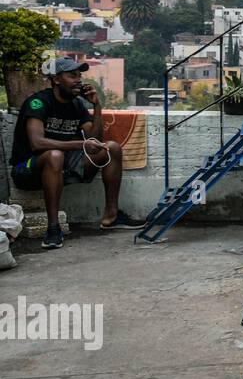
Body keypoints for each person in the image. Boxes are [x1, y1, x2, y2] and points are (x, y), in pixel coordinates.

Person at [8, 58, 145, 248]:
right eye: (72, 76)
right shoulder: (38, 102)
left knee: (111, 148)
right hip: (27, 168)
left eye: (79, 76)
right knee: (54, 155)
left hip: (62, 165)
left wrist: (96, 106)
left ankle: (111, 216)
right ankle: (53, 229)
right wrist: (80, 145)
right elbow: (37, 143)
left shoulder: (77, 105)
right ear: (56, 79)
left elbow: (94, 140)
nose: (78, 80)